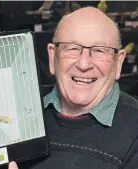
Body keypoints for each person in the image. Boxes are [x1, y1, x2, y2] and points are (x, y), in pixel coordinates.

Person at [8, 6, 138, 169]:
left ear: (118, 63)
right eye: (72, 48)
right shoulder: (17, 111)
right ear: (52, 56)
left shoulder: (134, 134)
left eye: (99, 51)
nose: (84, 64)